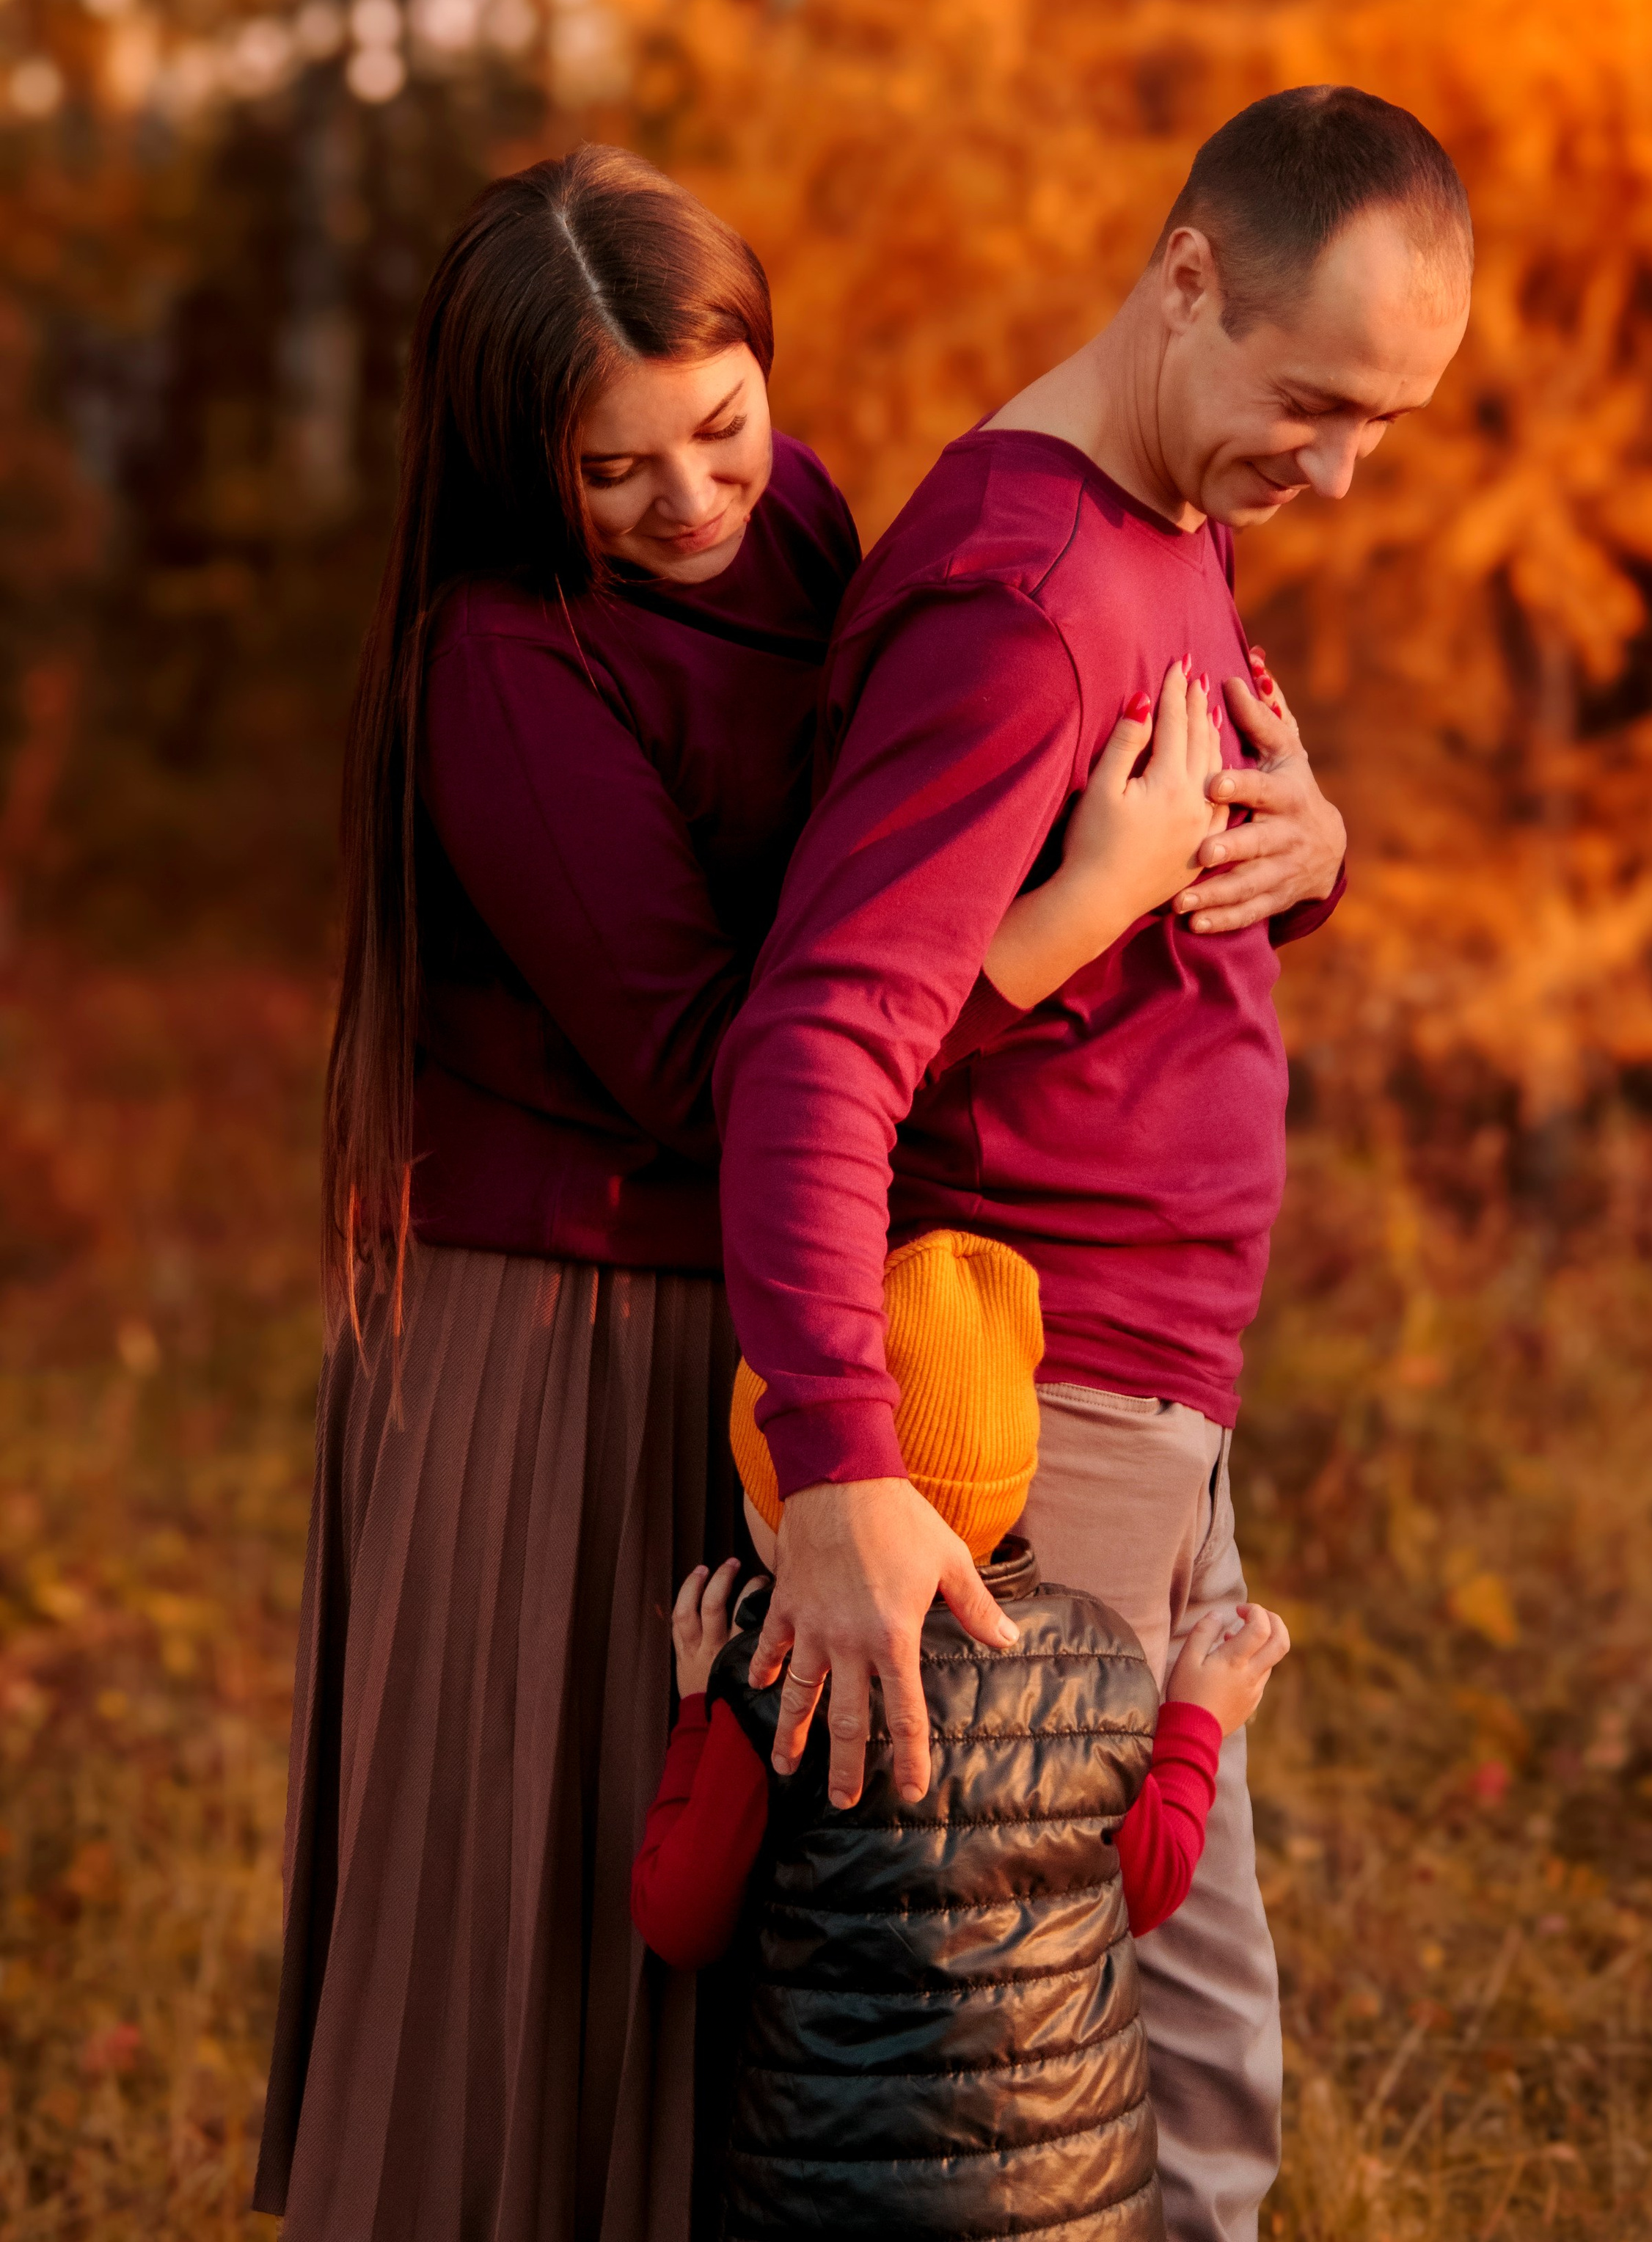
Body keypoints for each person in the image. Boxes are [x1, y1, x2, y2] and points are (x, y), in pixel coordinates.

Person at [255, 145, 1246, 2240]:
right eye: (616, 475)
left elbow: (900, 866)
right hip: (562, 1324)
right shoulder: (509, 669)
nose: (695, 503)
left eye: (719, 426)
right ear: (522, 469)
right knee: (550, 1914)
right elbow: (737, 1059)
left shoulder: (802, 518)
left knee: (756, 1922)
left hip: (762, 1294)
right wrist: (1075, 921)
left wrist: (1271, 849)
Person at [713, 84, 1474, 2239]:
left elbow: (1115, 902)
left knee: (1187, 2059)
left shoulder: (1171, 511)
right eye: (1315, 401)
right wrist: (846, 1459)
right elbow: (819, 1041)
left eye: (1389, 427)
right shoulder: (1019, 600)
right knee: (1058, 2094)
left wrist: (1305, 865)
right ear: (1185, 278)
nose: (1338, 473)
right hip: (1029, 1418)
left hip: (1152, 1399)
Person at [629, 1230, 1289, 2241]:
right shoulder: (1102, 1663)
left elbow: (679, 1916)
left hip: (831, 2204)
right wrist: (1195, 1720)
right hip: (1070, 2211)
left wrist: (694, 1703)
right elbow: (1145, 1887)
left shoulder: (778, 1682)